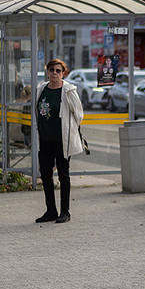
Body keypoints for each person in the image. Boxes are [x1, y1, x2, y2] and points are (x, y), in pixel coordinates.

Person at [34, 58, 84, 224]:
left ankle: (65, 211)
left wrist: (68, 129)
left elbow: (79, 115)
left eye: (58, 71)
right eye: (51, 70)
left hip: (62, 140)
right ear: (47, 72)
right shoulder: (41, 89)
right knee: (46, 175)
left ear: (63, 73)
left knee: (64, 175)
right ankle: (51, 210)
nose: (54, 73)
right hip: (45, 139)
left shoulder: (69, 91)